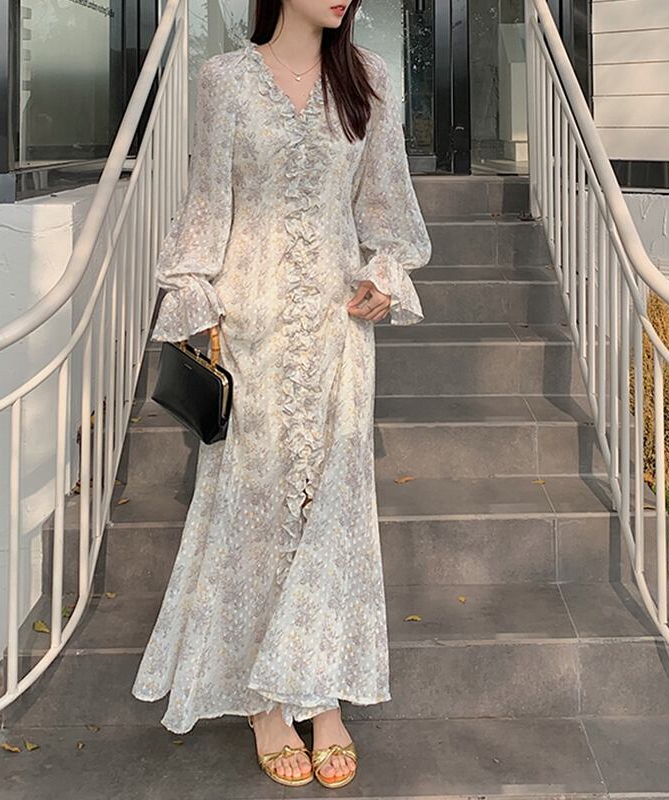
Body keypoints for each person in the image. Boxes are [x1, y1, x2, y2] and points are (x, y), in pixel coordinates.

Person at [131, 0, 431, 790]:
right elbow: (208, 204)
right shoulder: (225, 80)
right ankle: (266, 703)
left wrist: (383, 275)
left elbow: (386, 208)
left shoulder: (369, 79)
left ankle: (322, 695)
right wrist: (195, 297)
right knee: (257, 512)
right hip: (252, 329)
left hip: (336, 332)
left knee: (332, 510)